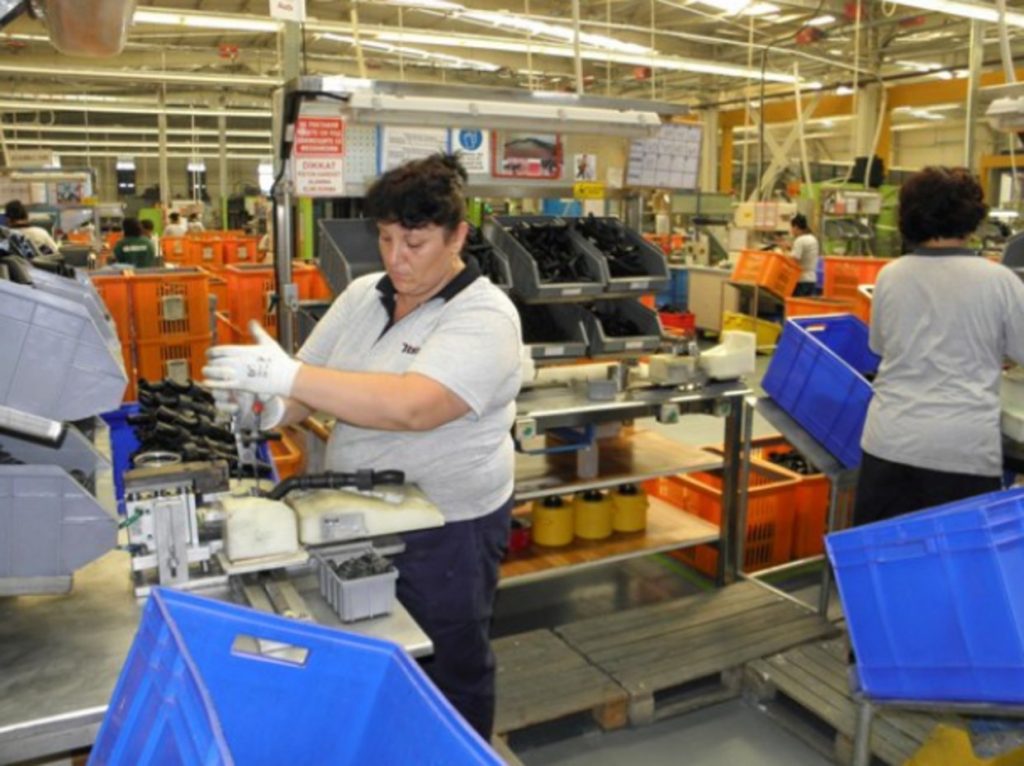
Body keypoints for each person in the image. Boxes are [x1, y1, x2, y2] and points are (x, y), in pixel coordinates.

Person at [203, 153, 523, 740]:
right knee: (370, 647)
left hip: (448, 527)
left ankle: (456, 751)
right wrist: (264, 405)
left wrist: (291, 378)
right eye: (386, 238)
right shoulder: (361, 296)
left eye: (415, 243)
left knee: (448, 661)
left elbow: (414, 406)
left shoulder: (485, 316)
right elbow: (305, 387)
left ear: (458, 236)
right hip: (354, 516)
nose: (396, 258)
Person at [854, 166, 1024, 527]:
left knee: (884, 555)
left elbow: (881, 345)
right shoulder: (999, 281)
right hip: (961, 447)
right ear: (973, 216)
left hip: (890, 440)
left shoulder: (890, 275)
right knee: (956, 558)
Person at [788, 213, 820, 296]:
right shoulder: (813, 238)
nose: (791, 230)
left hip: (801, 280)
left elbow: (794, 261)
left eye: (791, 227)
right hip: (812, 279)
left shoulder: (799, 240)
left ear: (796, 227)